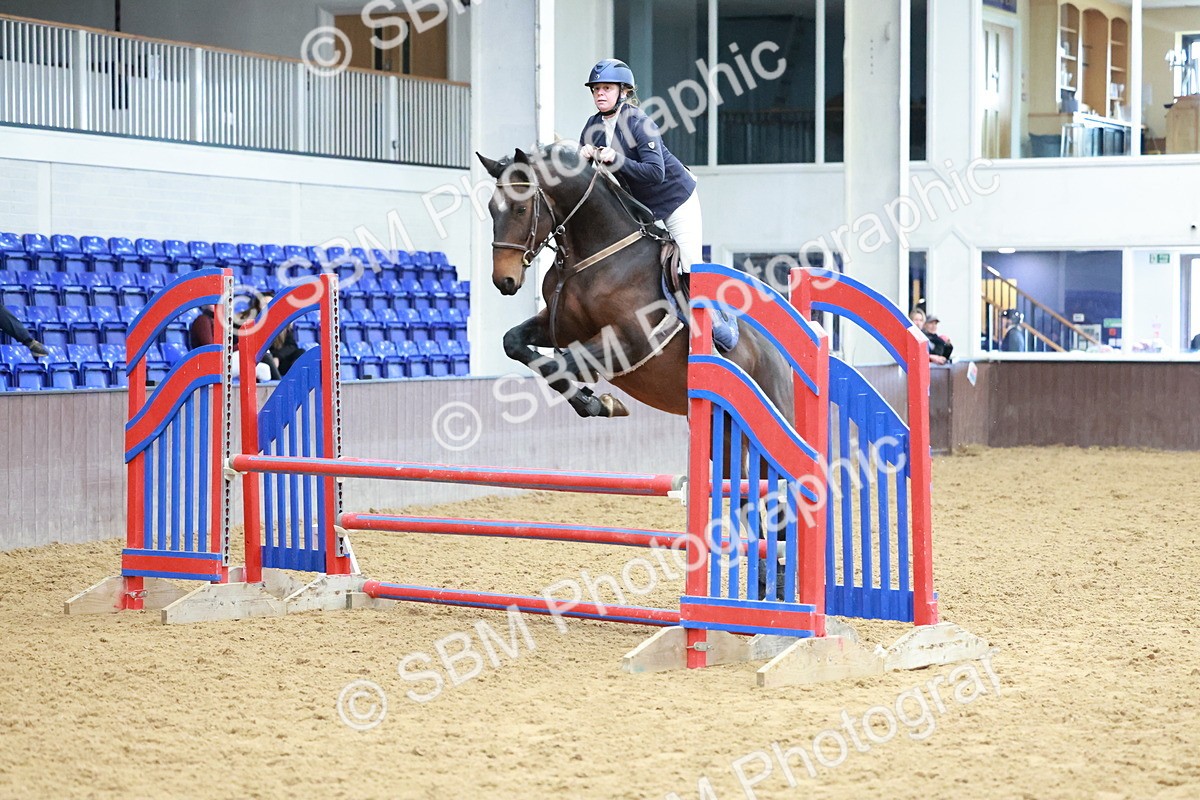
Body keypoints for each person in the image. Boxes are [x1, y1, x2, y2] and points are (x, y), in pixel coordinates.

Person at [578, 58, 703, 273]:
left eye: (607, 88)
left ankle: (701, 305)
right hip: (639, 208)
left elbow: (656, 172)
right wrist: (582, 158)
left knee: (691, 268)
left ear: (624, 92)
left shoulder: (640, 123)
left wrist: (616, 159)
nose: (600, 93)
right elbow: (585, 181)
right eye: (596, 88)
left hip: (674, 198)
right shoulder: (593, 125)